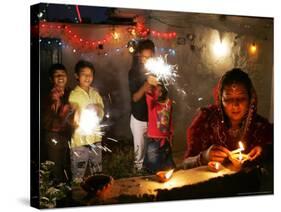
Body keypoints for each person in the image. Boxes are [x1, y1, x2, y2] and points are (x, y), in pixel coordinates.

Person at [182, 68, 273, 169]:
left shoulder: (261, 127)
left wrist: (264, 151)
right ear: (220, 100)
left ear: (250, 99)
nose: (235, 105)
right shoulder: (206, 120)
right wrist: (204, 157)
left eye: (241, 98)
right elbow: (185, 164)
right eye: (228, 99)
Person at [69, 60, 104, 181]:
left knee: (97, 172)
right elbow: (69, 118)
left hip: (95, 140)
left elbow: (101, 112)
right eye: (84, 74)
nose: (88, 77)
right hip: (79, 142)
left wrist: (97, 108)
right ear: (76, 76)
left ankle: (98, 193)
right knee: (78, 174)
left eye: (91, 74)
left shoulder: (95, 93)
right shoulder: (73, 95)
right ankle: (77, 196)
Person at [42, 63, 72, 183]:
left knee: (68, 167)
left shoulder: (70, 93)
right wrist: (63, 110)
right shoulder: (47, 96)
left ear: (67, 77)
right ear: (51, 79)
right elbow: (49, 119)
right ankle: (57, 197)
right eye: (56, 75)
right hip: (53, 136)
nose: (60, 77)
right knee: (56, 170)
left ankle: (68, 195)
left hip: (67, 135)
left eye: (63, 74)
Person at [128, 39, 155, 172]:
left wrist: (157, 88)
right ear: (139, 56)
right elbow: (135, 97)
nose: (146, 60)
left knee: (151, 153)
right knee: (139, 156)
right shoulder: (133, 73)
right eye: (144, 57)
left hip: (153, 119)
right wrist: (146, 86)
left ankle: (149, 177)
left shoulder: (157, 71)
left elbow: (162, 97)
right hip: (138, 119)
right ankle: (136, 179)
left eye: (149, 57)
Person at [143, 80, 175, 173]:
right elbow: (148, 94)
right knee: (152, 168)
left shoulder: (169, 103)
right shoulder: (152, 104)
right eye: (157, 90)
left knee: (169, 167)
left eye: (161, 90)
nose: (159, 92)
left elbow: (170, 120)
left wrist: (171, 134)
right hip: (154, 141)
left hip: (166, 140)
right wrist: (151, 83)